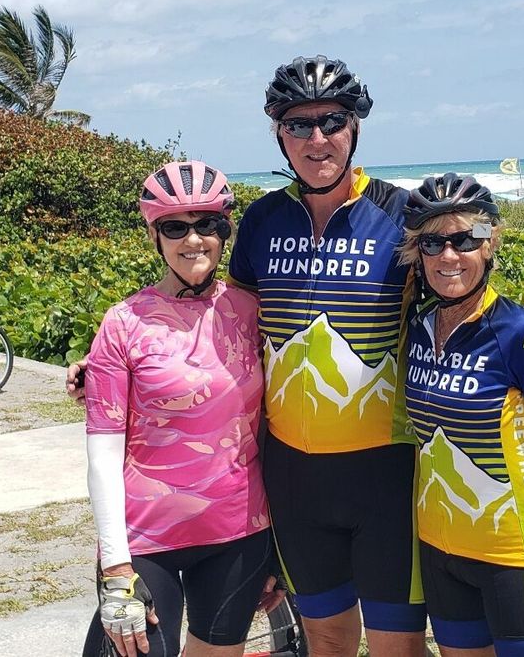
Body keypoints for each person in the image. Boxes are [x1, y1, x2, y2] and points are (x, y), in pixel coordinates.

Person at [228, 56, 426, 656]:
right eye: (299, 124)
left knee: (397, 647)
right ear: (279, 135)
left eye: (332, 121)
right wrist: (121, 364)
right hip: (294, 476)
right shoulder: (262, 220)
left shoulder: (402, 214)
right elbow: (225, 324)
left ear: (354, 127)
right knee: (327, 640)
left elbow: (466, 302)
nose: (317, 139)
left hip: (385, 473)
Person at [398, 173, 524, 657]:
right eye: (432, 243)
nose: (449, 255)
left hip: (515, 555)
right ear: (418, 253)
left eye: (465, 239)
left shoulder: (519, 332)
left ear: (490, 244)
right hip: (440, 550)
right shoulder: (418, 328)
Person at [79, 161, 272, 657]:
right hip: (145, 539)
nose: (193, 240)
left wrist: (283, 551)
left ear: (225, 230)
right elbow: (103, 457)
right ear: (154, 235)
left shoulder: (251, 312)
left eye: (207, 224)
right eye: (174, 228)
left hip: (239, 532)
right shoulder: (122, 323)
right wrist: (115, 566)